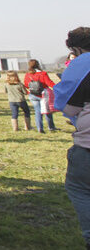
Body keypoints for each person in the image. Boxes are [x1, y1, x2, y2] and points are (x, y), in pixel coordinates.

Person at [54, 27, 90, 247]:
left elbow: (68, 106)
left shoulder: (82, 62)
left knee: (79, 188)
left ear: (75, 47)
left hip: (87, 147)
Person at [23, 59, 57, 133]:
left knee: (37, 111)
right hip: (43, 94)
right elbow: (49, 82)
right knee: (47, 110)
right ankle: (51, 127)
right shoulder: (42, 73)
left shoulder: (27, 74)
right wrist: (57, 87)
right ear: (38, 64)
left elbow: (26, 84)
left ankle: (40, 128)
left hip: (32, 94)